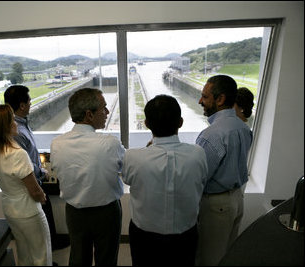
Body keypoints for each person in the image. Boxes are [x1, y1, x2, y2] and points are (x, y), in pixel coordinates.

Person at [122, 95, 208, 266]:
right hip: (185, 234)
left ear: (146, 124)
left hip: (144, 235)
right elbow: (202, 179)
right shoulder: (197, 153)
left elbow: (127, 178)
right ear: (180, 122)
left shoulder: (133, 157)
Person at [50, 88, 125, 266]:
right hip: (107, 213)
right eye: (104, 108)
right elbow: (126, 169)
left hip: (75, 213)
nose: (107, 112)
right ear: (89, 115)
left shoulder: (56, 144)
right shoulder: (110, 143)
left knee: (78, 258)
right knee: (106, 259)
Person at [0, 104, 52, 266]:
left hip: (10, 208)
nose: (15, 123)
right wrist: (42, 197)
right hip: (28, 211)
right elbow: (34, 190)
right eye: (12, 120)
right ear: (4, 127)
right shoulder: (17, 154)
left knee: (24, 252)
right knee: (41, 254)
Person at [195, 75, 253, 266]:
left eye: (205, 96)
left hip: (216, 206)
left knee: (210, 259)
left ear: (220, 99)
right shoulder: (242, 127)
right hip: (237, 199)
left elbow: (200, 177)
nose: (200, 101)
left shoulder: (211, 135)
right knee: (227, 254)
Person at [4, 85, 68, 252]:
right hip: (31, 182)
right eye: (29, 100)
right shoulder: (16, 130)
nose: (32, 103)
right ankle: (47, 250)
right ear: (22, 105)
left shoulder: (22, 124)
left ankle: (52, 243)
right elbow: (22, 160)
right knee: (40, 231)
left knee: (47, 217)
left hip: (34, 179)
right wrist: (41, 172)